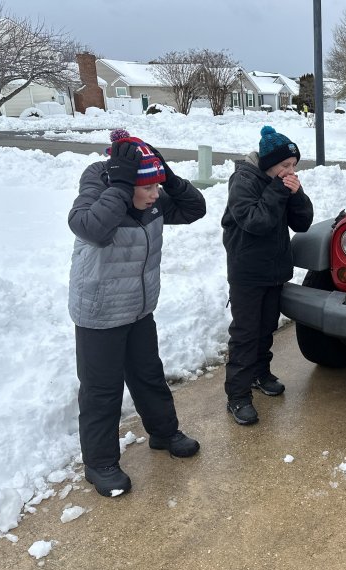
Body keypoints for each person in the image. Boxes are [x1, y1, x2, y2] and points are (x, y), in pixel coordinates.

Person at [68, 129, 206, 497]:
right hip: (100, 311)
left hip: (139, 308)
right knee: (102, 390)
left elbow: (195, 209)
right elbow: (91, 228)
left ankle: (163, 433)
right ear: (127, 182)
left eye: (157, 186)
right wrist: (122, 182)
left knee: (148, 375)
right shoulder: (99, 182)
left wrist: (168, 175)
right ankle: (100, 464)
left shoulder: (154, 199)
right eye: (148, 187)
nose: (155, 194)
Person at [222, 126, 314, 425]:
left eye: (294, 165)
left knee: (265, 328)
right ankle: (237, 396)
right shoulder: (244, 181)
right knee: (245, 334)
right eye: (285, 165)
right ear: (268, 163)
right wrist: (278, 190)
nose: (291, 170)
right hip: (247, 271)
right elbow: (255, 221)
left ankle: (259, 374)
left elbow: (302, 223)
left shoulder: (282, 182)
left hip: (273, 270)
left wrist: (297, 195)